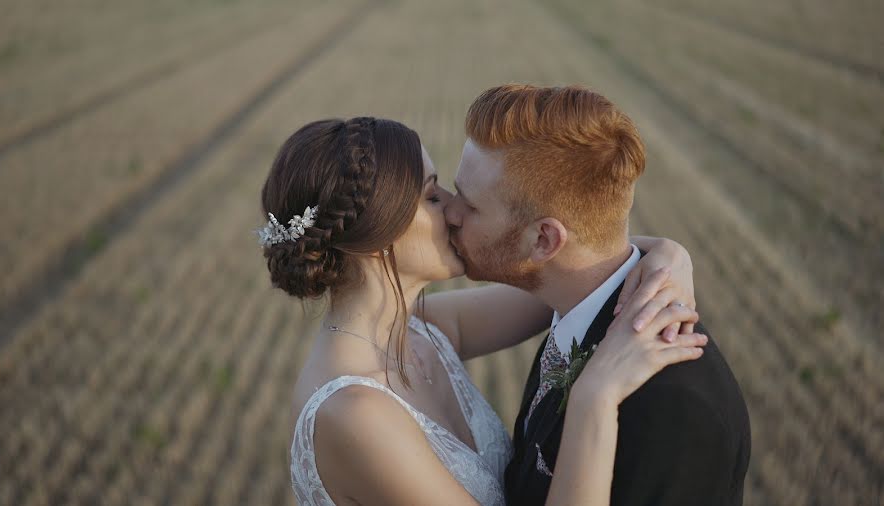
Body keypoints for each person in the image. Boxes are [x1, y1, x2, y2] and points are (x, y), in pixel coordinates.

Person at [267, 115, 708, 505]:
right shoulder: (355, 415)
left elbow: (567, 274)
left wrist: (667, 253)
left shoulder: (421, 329)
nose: (454, 209)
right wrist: (593, 399)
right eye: (431, 195)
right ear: (378, 239)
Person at [445, 84, 751, 505]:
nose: (450, 213)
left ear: (543, 241)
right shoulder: (574, 312)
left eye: (470, 205)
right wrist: (664, 248)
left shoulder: (674, 408)